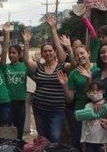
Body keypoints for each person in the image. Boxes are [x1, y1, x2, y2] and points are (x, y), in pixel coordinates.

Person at [22, 14, 75, 143]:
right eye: (45, 51)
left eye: (50, 50)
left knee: (55, 137)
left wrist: (68, 47)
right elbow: (26, 60)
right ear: (42, 54)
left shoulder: (62, 66)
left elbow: (74, 65)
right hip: (39, 108)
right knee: (43, 138)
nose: (48, 53)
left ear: (55, 53)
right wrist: (26, 43)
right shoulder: (38, 67)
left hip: (57, 109)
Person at [57, 44, 98, 150]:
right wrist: (64, 85)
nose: (79, 56)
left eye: (82, 53)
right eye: (76, 55)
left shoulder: (98, 69)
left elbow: (96, 94)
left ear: (88, 53)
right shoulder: (73, 74)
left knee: (94, 144)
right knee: (78, 143)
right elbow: (69, 99)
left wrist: (89, 79)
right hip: (80, 111)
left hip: (97, 111)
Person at [1, 22, 30, 140]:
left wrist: (27, 42)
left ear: (19, 54)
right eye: (10, 53)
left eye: (14, 53)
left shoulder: (24, 66)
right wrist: (6, 34)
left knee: (19, 130)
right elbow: (3, 53)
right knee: (8, 129)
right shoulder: (5, 67)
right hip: (8, 102)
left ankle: (18, 149)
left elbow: (27, 58)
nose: (11, 55)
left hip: (20, 102)